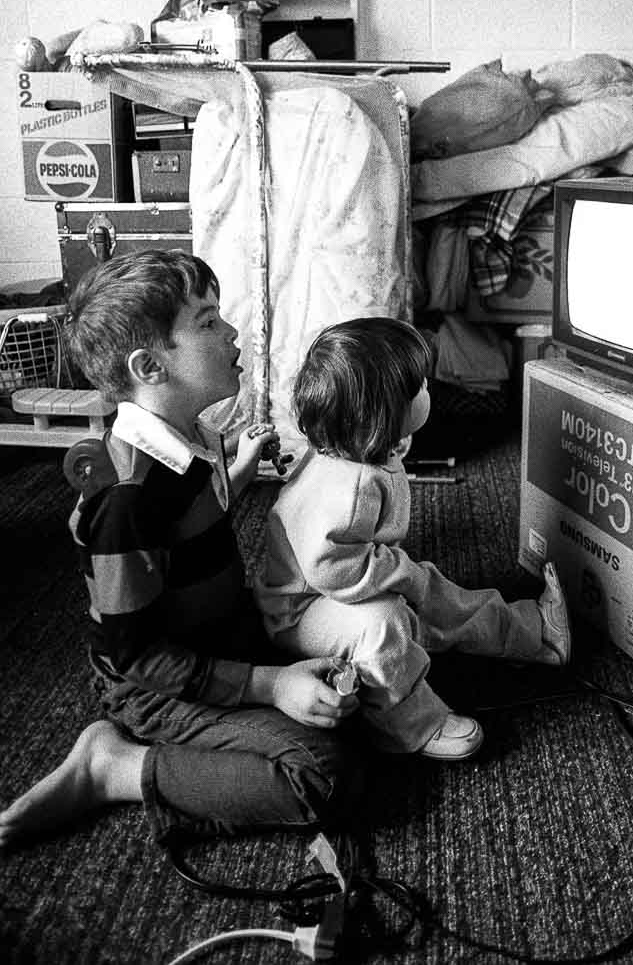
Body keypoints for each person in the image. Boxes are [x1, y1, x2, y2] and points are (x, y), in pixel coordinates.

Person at [0, 250, 361, 853]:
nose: (231, 331)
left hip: (221, 634)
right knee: (321, 774)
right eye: (207, 321)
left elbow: (197, 515)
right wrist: (271, 686)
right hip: (159, 683)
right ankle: (112, 766)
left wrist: (240, 471)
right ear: (149, 366)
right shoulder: (128, 504)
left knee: (361, 685)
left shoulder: (189, 439)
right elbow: (139, 656)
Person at [255, 317, 571, 763]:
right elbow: (330, 569)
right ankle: (413, 725)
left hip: (349, 578)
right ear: (383, 413)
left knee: (434, 597)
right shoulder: (348, 488)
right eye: (419, 386)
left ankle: (537, 634)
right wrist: (404, 577)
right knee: (385, 624)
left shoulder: (357, 452)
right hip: (300, 612)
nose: (429, 391)